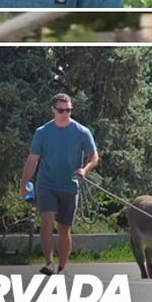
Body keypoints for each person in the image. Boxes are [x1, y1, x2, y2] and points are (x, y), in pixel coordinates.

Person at [21, 93, 100, 276]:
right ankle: (49, 263)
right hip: (46, 183)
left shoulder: (82, 132)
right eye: (62, 110)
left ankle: (63, 266)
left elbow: (94, 157)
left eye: (69, 110)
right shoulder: (43, 132)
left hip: (70, 186)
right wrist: (24, 183)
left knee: (64, 228)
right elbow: (33, 159)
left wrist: (85, 170)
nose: (66, 113)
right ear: (53, 111)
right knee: (47, 220)